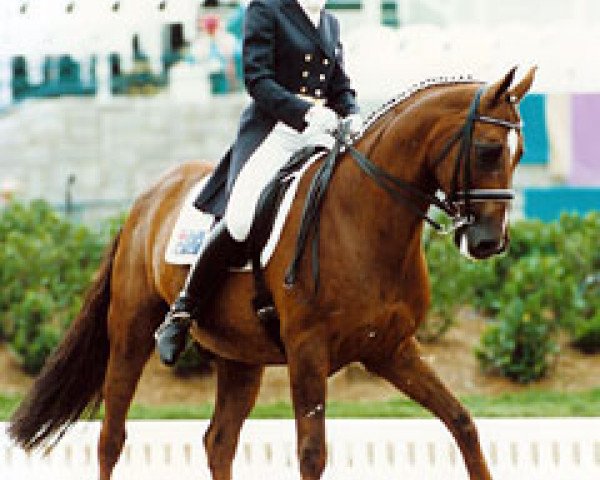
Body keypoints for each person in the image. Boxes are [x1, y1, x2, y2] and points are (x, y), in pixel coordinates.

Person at [155, 0, 362, 365]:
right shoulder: (266, 9)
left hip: (319, 132)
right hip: (275, 130)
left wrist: (352, 113)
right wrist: (306, 112)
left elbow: (339, 85)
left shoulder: (330, 21)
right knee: (239, 218)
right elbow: (258, 79)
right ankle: (183, 311)